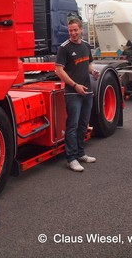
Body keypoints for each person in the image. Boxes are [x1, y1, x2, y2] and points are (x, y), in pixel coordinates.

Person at [56, 17, 99, 172]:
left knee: (83, 124)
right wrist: (74, 85)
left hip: (86, 91)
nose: (73, 33)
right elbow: (59, 70)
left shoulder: (86, 46)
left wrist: (93, 71)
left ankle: (81, 153)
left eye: (75, 30)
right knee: (72, 126)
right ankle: (71, 158)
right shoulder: (64, 48)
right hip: (72, 92)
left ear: (81, 30)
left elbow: (87, 64)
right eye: (70, 30)